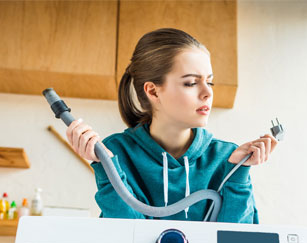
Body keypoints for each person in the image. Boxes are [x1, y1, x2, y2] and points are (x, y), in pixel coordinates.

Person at [66, 28, 277, 223]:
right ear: (153, 91)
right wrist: (107, 168)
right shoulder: (116, 153)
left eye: (209, 82)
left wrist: (238, 174)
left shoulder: (227, 157)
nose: (208, 93)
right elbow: (125, 237)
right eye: (191, 83)